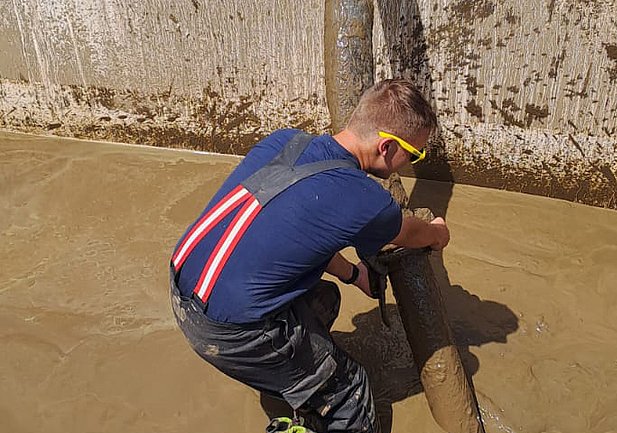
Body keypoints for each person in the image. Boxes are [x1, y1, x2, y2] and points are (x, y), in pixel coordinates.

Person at [169, 79, 450, 433]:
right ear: (388, 147)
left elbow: (294, 233)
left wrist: (353, 275)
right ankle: (304, 399)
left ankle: (291, 380)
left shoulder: (285, 141)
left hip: (183, 292)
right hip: (231, 333)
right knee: (351, 392)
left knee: (325, 299)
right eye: (415, 155)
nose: (410, 164)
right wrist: (438, 232)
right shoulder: (364, 197)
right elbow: (410, 233)